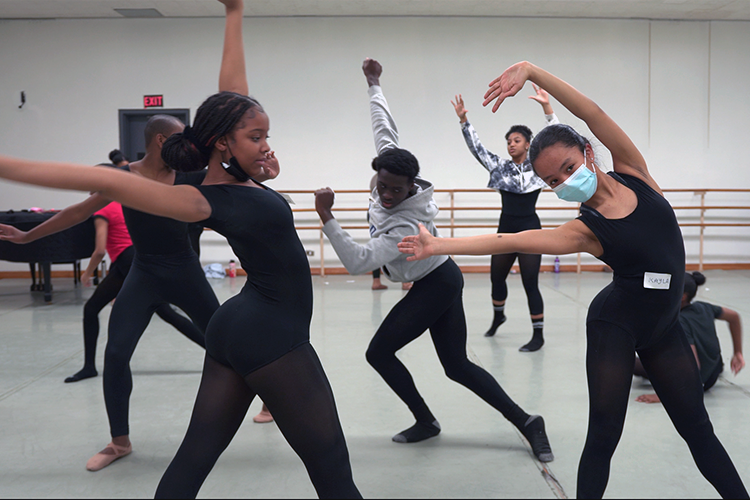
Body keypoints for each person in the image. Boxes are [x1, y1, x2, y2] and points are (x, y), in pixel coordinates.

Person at [0, 1, 361, 497]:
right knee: (334, 473)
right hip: (273, 335)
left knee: (194, 460)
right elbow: (88, 181)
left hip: (236, 327)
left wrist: (234, 13)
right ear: (221, 144)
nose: (267, 145)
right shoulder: (198, 199)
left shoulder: (227, 179)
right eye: (256, 137)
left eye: (266, 135)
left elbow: (233, 94)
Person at [398, 61, 747, 498]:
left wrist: (532, 72)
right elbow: (513, 238)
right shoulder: (586, 229)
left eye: (567, 167)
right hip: (615, 325)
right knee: (604, 436)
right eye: (552, 181)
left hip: (664, 328)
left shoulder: (634, 172)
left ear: (587, 152)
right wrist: (438, 246)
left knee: (699, 429)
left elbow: (593, 113)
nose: (563, 181)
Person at [312, 58, 553, 463]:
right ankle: (527, 422)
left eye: (396, 190)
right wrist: (374, 83)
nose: (386, 195)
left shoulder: (408, 228)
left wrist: (326, 216)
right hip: (439, 277)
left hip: (437, 282)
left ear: (412, 187)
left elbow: (357, 261)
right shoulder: (391, 168)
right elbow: (383, 127)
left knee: (379, 353)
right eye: (382, 186)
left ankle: (429, 419)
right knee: (456, 365)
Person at [452, 88, 559, 351]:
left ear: (528, 144)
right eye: (509, 141)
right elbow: (476, 148)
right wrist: (464, 121)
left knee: (530, 282)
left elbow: (557, 140)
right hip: (505, 229)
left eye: (517, 140)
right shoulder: (500, 167)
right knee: (496, 278)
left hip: (531, 230)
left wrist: (548, 109)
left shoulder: (538, 167)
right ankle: (499, 314)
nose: (511, 144)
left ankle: (538, 335)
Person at [65, 193, 206, 383]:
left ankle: (89, 366)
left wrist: (87, 273)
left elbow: (99, 250)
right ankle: (218, 353)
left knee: (92, 309)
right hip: (136, 260)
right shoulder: (122, 204)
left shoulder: (102, 210)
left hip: (128, 262)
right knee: (166, 313)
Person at [635, 271, 745, 403]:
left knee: (631, 361)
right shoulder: (703, 307)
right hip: (713, 373)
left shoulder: (680, 322)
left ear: (682, 296)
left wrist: (664, 396)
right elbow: (734, 316)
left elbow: (692, 366)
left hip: (697, 382)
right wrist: (738, 352)